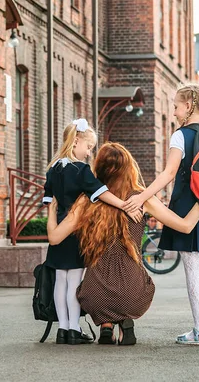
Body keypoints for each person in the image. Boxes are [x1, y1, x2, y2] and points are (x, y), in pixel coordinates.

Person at [47, 142, 199, 345]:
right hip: (133, 292)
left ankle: (106, 325)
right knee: (138, 283)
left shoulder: (87, 199)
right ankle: (125, 320)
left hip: (95, 295)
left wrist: (51, 210)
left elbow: (55, 238)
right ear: (129, 167)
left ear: (98, 168)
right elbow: (185, 226)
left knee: (92, 288)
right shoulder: (141, 198)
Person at [123, 84, 199, 345]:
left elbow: (169, 173)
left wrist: (142, 196)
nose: (173, 112)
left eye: (175, 106)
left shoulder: (180, 136)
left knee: (193, 269)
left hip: (187, 207)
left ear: (188, 106)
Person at [41, 119, 141, 345]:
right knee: (74, 282)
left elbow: (49, 200)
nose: (89, 154)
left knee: (60, 281)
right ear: (76, 142)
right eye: (88, 147)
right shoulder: (81, 170)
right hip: (76, 229)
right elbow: (101, 192)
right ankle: (74, 329)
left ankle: (63, 329)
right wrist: (124, 205)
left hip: (58, 225)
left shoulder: (53, 168)